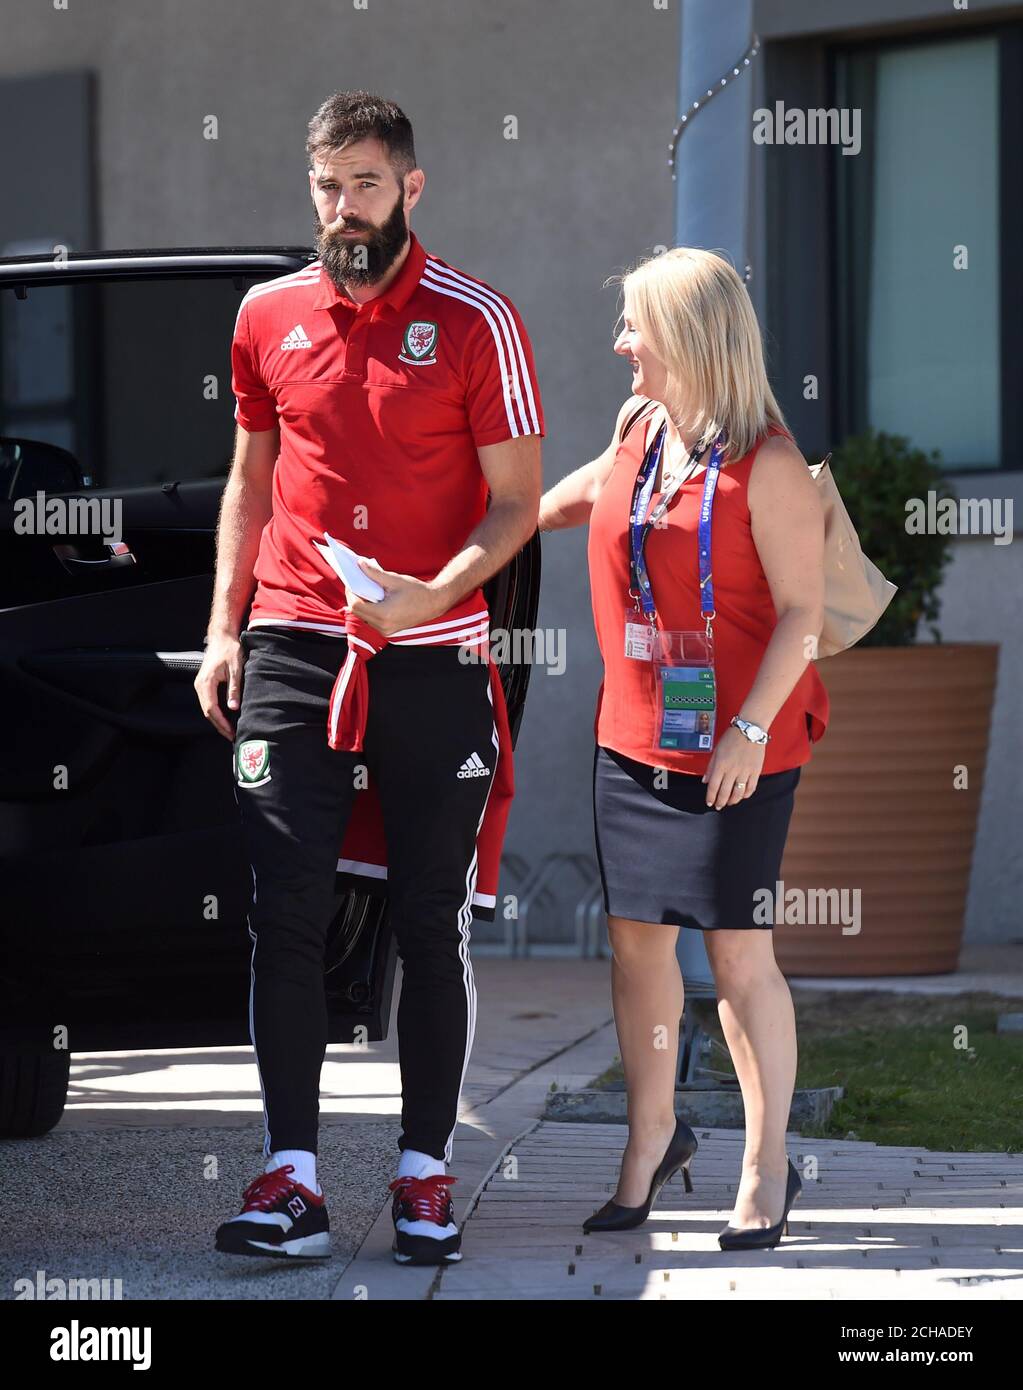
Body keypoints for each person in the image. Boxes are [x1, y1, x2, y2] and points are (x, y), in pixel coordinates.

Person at [194, 90, 544, 1265]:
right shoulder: (264, 314)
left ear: (412, 187)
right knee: (282, 907)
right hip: (294, 638)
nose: (343, 209)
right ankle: (290, 1177)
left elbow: (516, 505)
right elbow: (250, 477)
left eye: (366, 185)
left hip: (432, 649)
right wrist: (224, 628)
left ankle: (424, 1174)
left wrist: (431, 595)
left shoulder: (477, 318)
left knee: (429, 917)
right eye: (326, 187)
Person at [538, 247, 828, 1250]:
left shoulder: (770, 463)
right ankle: (652, 1139)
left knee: (739, 953)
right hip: (636, 734)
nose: (622, 342)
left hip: (742, 742)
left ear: (692, 338)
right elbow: (592, 490)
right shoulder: (640, 426)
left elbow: (802, 611)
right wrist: (498, 524)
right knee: (635, 946)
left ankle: (764, 1162)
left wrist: (748, 727)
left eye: (637, 326)